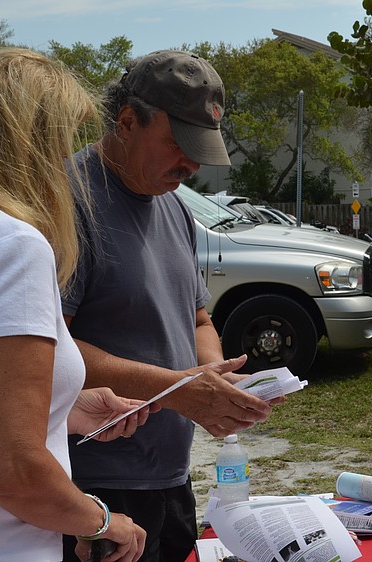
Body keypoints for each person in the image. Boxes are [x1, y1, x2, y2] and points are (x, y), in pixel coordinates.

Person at [61, 50, 275, 562]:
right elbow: (46, 347)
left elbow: (198, 318)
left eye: (202, 149)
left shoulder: (173, 206)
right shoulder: (67, 201)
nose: (193, 165)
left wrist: (211, 382)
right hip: (93, 490)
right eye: (179, 144)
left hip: (171, 479)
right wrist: (181, 391)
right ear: (128, 120)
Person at [0, 48, 149, 562]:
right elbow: (15, 469)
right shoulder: (7, 245)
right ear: (31, 145)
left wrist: (62, 406)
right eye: (62, 142)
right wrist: (103, 522)